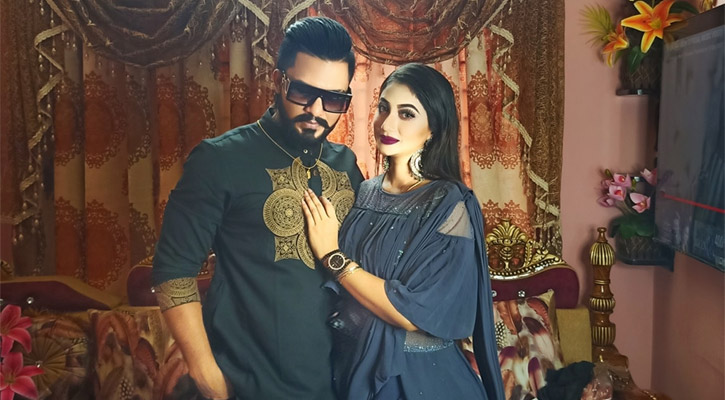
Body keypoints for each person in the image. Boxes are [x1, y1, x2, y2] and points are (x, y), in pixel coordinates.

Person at [152, 16, 364, 400]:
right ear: (278, 80)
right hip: (248, 386)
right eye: (303, 91)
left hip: (338, 384)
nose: (317, 110)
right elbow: (173, 271)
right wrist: (206, 374)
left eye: (334, 99)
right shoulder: (219, 159)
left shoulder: (346, 166)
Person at [302, 63, 505, 400]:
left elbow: (414, 312)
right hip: (351, 367)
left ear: (434, 128)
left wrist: (332, 257)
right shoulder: (363, 191)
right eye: (383, 108)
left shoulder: (449, 202)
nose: (387, 123)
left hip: (420, 379)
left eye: (406, 114)